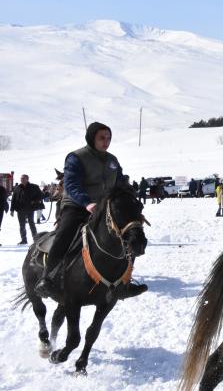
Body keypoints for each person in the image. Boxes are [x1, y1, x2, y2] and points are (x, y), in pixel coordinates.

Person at [35, 122, 148, 299]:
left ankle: (124, 283)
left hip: (103, 207)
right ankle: (47, 278)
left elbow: (120, 182)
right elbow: (71, 184)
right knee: (65, 235)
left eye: (108, 138)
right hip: (77, 206)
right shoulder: (76, 157)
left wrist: (129, 198)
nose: (106, 141)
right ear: (91, 138)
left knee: (129, 234)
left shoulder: (112, 160)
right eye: (102, 138)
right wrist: (87, 203)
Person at [9, 174, 44, 245]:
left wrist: (34, 201)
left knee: (31, 224)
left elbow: (41, 195)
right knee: (22, 225)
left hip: (30, 209)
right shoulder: (17, 188)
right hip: (20, 209)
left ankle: (35, 239)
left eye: (23, 178)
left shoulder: (34, 187)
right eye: (21, 178)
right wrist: (12, 210)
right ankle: (24, 240)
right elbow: (13, 199)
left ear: (27, 179)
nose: (21, 180)